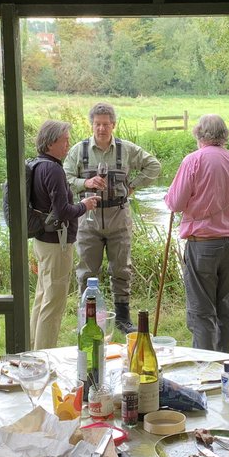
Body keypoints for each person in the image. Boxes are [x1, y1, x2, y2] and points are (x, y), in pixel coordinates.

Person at [64, 102, 162, 333]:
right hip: (88, 218)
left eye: (106, 124)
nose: (101, 129)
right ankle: (88, 319)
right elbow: (65, 178)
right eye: (97, 124)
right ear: (91, 125)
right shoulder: (79, 150)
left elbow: (153, 166)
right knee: (87, 271)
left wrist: (133, 186)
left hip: (119, 216)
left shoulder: (126, 149)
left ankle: (122, 318)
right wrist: (85, 183)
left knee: (121, 269)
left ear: (113, 125)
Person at [164, 114, 229, 353]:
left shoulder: (194, 160)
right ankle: (226, 366)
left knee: (202, 311)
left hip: (203, 244)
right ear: (224, 136)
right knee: (227, 309)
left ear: (199, 135)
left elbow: (176, 203)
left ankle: (205, 368)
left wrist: (171, 198)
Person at [29, 119, 100, 349]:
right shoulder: (54, 169)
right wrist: (85, 205)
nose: (68, 145)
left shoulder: (37, 164)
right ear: (50, 143)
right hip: (57, 244)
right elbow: (62, 212)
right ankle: (44, 356)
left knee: (41, 297)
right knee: (54, 303)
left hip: (42, 241)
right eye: (64, 140)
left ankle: (31, 350)